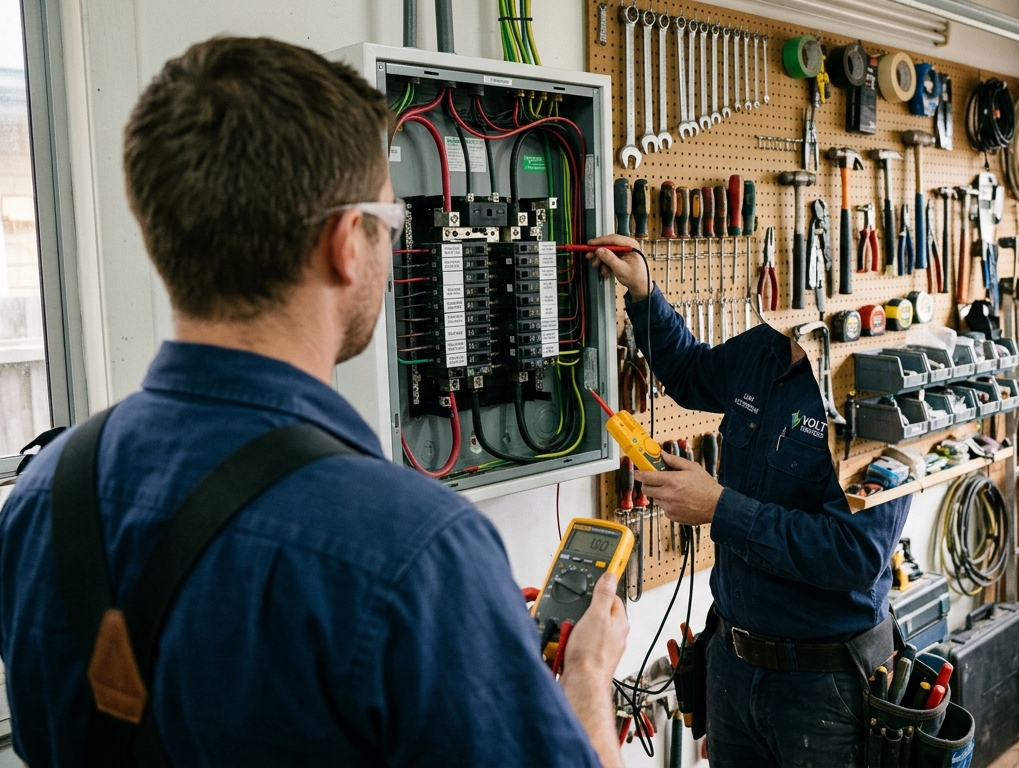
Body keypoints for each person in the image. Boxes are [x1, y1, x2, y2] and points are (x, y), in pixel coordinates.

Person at [0, 37, 628, 767]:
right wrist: (584, 682)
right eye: (391, 225)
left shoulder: (44, 497)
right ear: (344, 243)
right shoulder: (416, 552)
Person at [586, 234, 913, 767]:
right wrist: (644, 294)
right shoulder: (763, 348)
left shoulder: (870, 388)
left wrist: (718, 507)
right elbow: (692, 374)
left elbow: (855, 556)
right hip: (733, 667)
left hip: (823, 685)